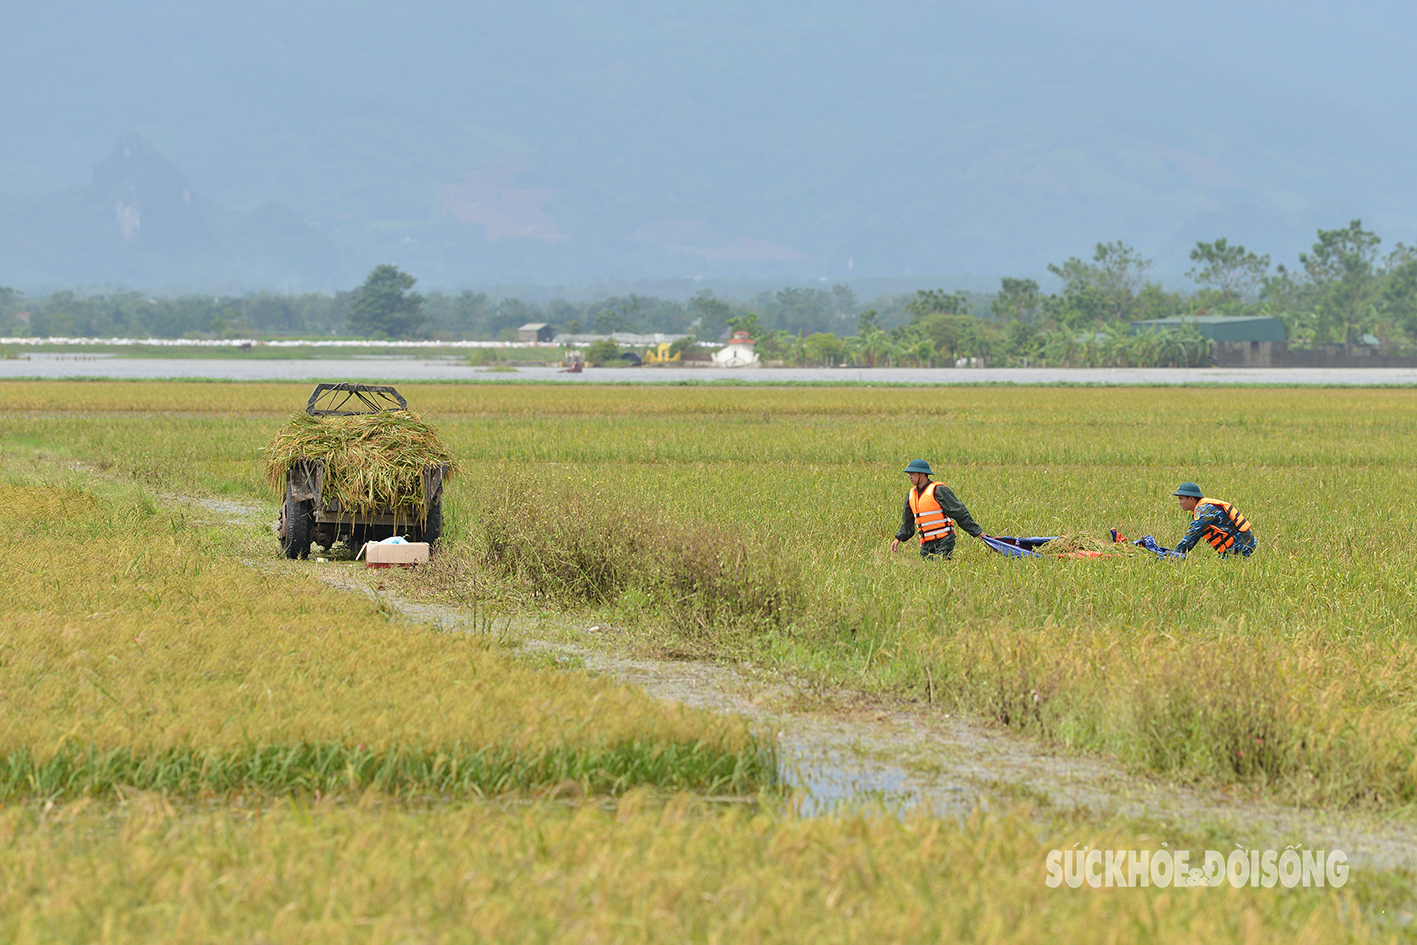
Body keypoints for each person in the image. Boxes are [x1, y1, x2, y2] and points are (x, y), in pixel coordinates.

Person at [890, 459, 985, 560]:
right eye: (909, 474)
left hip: (944, 541)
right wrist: (898, 538)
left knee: (939, 567)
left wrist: (977, 532)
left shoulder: (939, 490)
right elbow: (908, 522)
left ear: (922, 474)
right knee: (927, 572)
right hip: (926, 544)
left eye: (912, 474)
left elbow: (959, 512)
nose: (910, 477)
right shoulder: (911, 495)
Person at [1171, 482, 1256, 557]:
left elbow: (1193, 534)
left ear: (1191, 498)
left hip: (1241, 546)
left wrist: (1176, 554)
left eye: (1181, 498)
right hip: (1236, 545)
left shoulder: (1205, 510)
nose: (1179, 502)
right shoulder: (1203, 508)